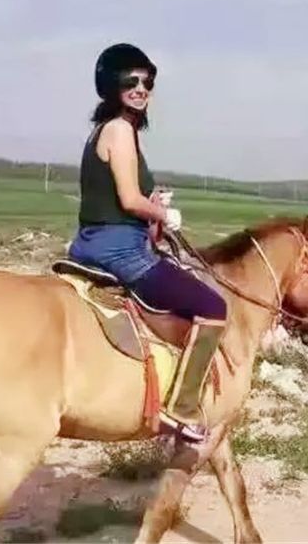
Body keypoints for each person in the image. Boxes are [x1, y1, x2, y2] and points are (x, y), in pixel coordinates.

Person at [68, 43, 227, 441]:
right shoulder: (120, 130)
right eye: (131, 80)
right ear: (112, 84)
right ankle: (183, 408)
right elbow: (128, 200)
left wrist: (153, 212)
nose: (141, 89)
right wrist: (162, 213)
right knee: (213, 305)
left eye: (147, 82)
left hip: (94, 243)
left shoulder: (105, 131)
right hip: (121, 253)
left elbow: (120, 201)